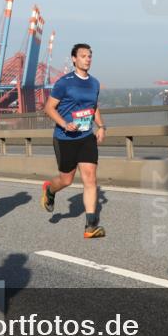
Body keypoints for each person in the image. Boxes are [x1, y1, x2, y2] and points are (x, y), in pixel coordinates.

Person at [41, 43, 106, 238]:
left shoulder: (94, 83)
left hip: (86, 136)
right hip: (65, 138)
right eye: (83, 56)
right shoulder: (64, 83)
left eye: (90, 56)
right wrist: (64, 124)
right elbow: (49, 108)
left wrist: (101, 127)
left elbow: (93, 108)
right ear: (74, 59)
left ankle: (90, 226)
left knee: (90, 178)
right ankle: (50, 190)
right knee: (66, 180)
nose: (87, 59)